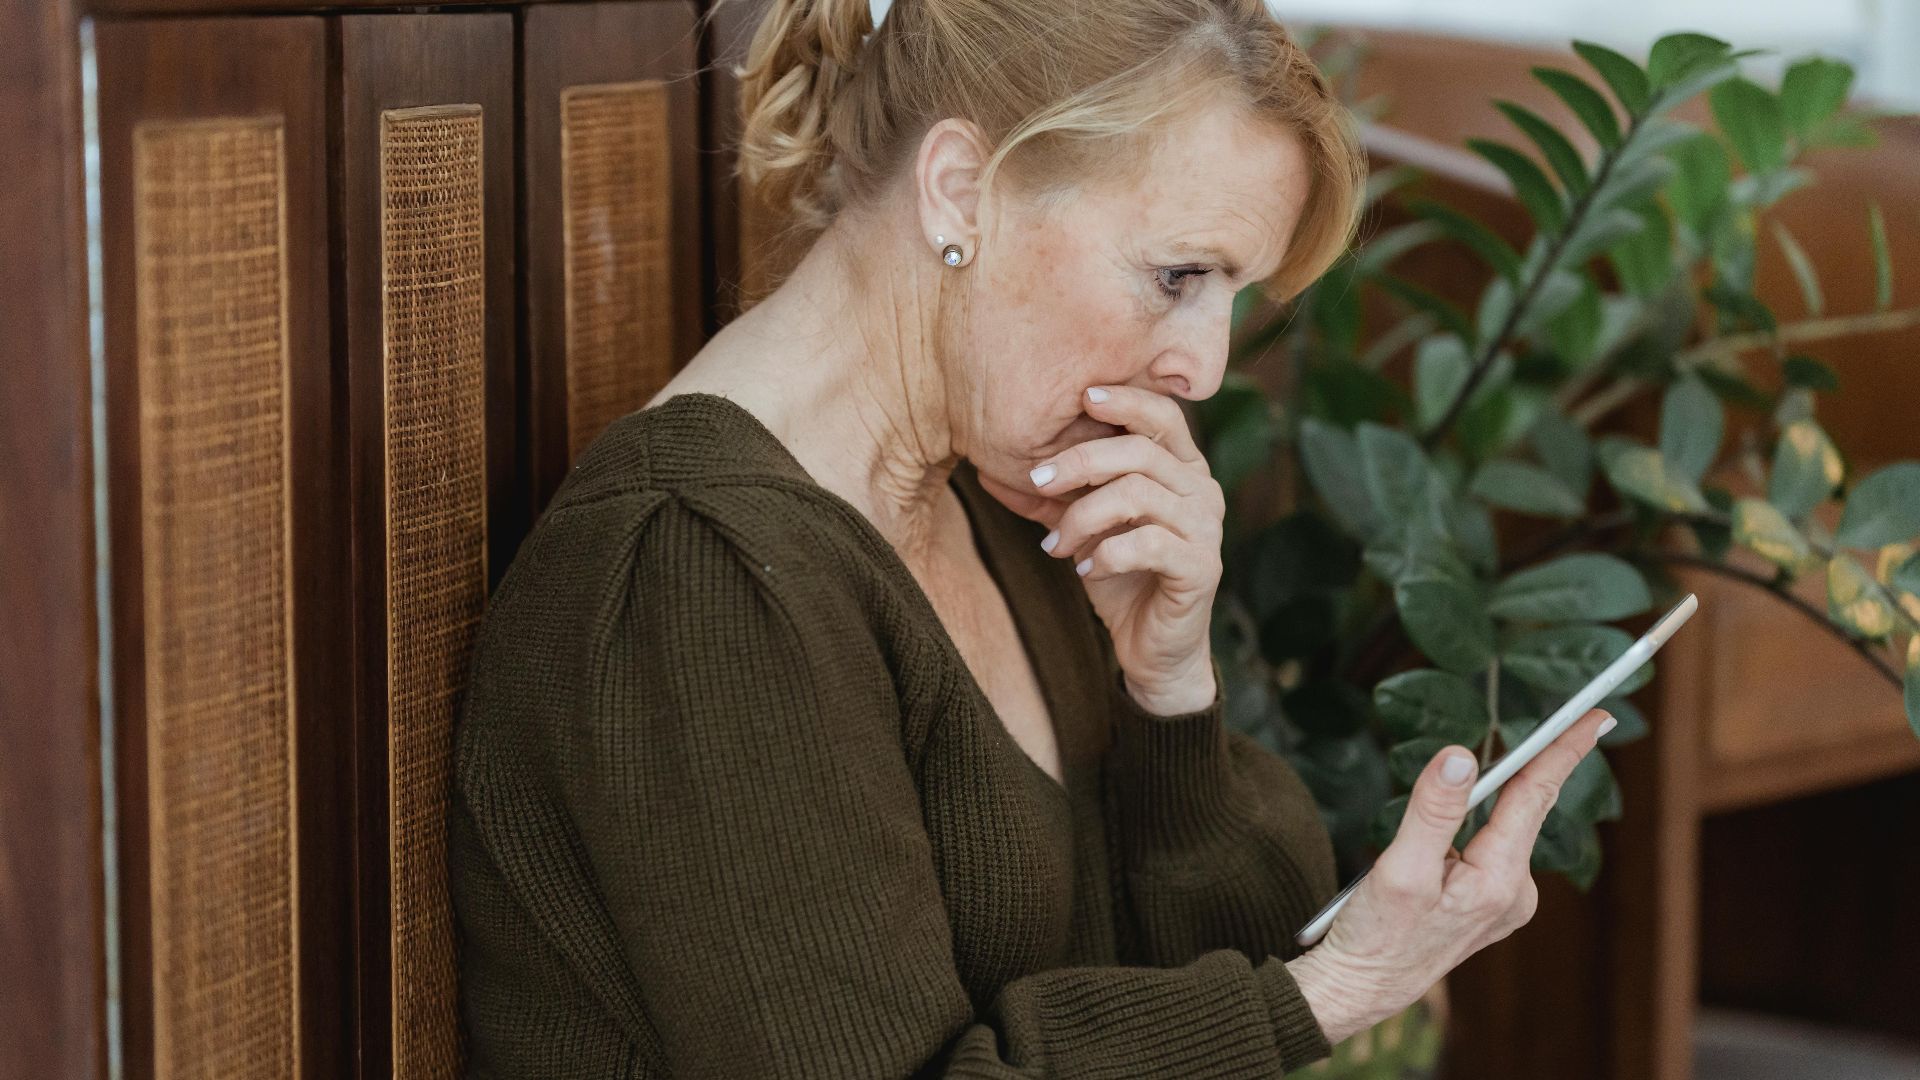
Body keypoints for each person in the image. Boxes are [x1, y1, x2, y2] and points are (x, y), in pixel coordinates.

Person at [447, 0, 1617, 1074]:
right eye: (1176, 274)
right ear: (961, 190)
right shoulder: (694, 566)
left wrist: (1170, 692)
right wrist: (1340, 986)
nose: (1203, 365)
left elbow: (1208, 974)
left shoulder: (1007, 489)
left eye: (1230, 295)